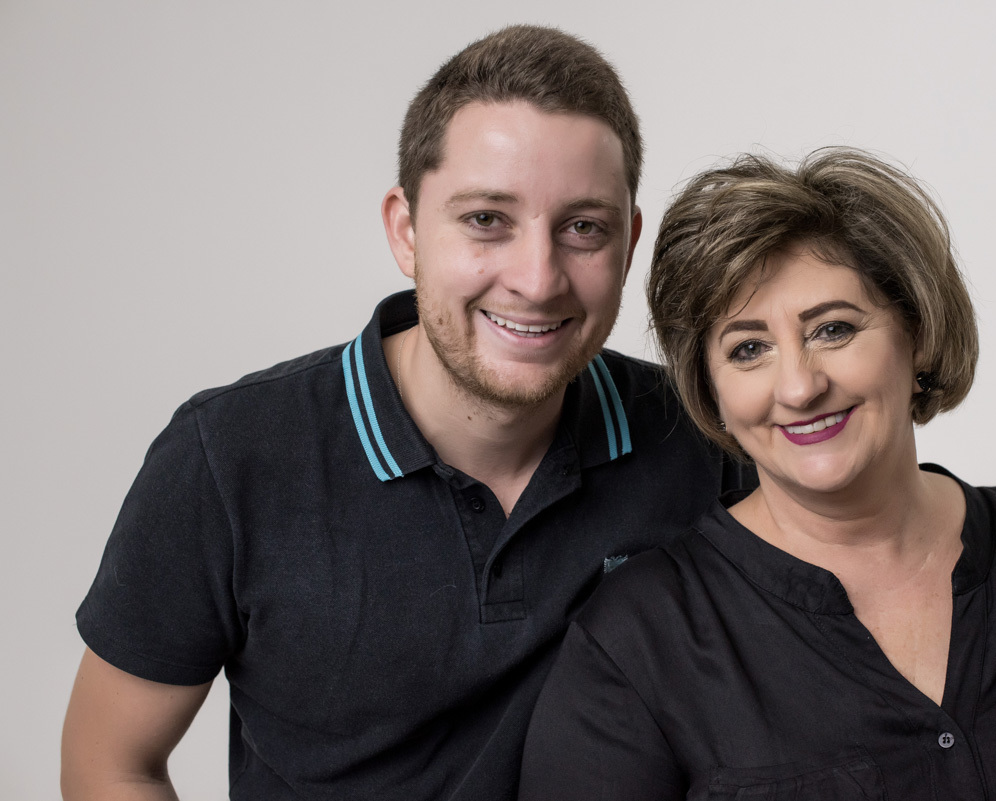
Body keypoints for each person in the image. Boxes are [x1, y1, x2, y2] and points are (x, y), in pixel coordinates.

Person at [61, 25, 751, 801]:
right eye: (487, 219)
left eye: (582, 227)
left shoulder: (702, 435)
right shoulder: (228, 457)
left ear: (628, 245)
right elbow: (108, 764)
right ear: (406, 230)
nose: (537, 277)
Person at [519, 148, 996, 800]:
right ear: (713, 388)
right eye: (749, 348)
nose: (799, 385)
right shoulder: (640, 642)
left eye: (834, 329)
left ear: (917, 332)